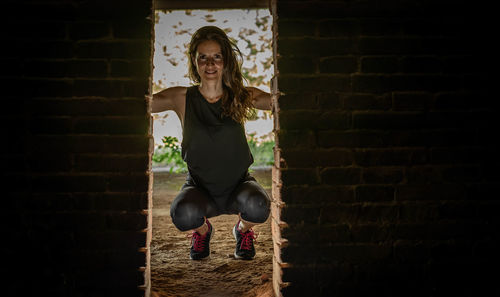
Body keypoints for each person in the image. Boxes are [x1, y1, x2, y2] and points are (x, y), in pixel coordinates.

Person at [152, 26, 273, 260]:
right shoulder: (182, 98)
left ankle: (242, 230)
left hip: (239, 186)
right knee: (182, 214)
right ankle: (203, 231)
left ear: (225, 61)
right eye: (203, 57)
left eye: (217, 57)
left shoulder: (240, 95)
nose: (210, 64)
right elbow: (142, 102)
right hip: (199, 188)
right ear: (194, 62)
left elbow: (276, 102)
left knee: (259, 206)